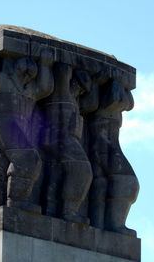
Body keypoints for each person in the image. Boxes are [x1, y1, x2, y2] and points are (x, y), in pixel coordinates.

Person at [0, 44, 54, 213]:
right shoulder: (2, 80)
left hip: (18, 126)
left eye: (32, 69)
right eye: (23, 66)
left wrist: (45, 65)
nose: (28, 70)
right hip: (5, 122)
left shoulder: (29, 89)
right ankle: (17, 201)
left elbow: (45, 89)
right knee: (28, 158)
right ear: (14, 66)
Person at [40, 64, 93, 224]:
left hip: (63, 138)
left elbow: (91, 105)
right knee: (81, 169)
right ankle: (69, 211)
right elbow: (62, 70)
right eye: (80, 86)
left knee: (58, 174)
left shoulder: (73, 99)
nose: (80, 91)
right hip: (58, 137)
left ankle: (53, 210)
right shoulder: (62, 91)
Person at [85, 80, 139, 236]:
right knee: (127, 181)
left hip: (106, 144)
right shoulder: (105, 101)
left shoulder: (113, 104)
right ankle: (115, 225)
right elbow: (116, 96)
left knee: (108, 184)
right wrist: (116, 78)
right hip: (101, 144)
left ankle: (112, 224)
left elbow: (129, 103)